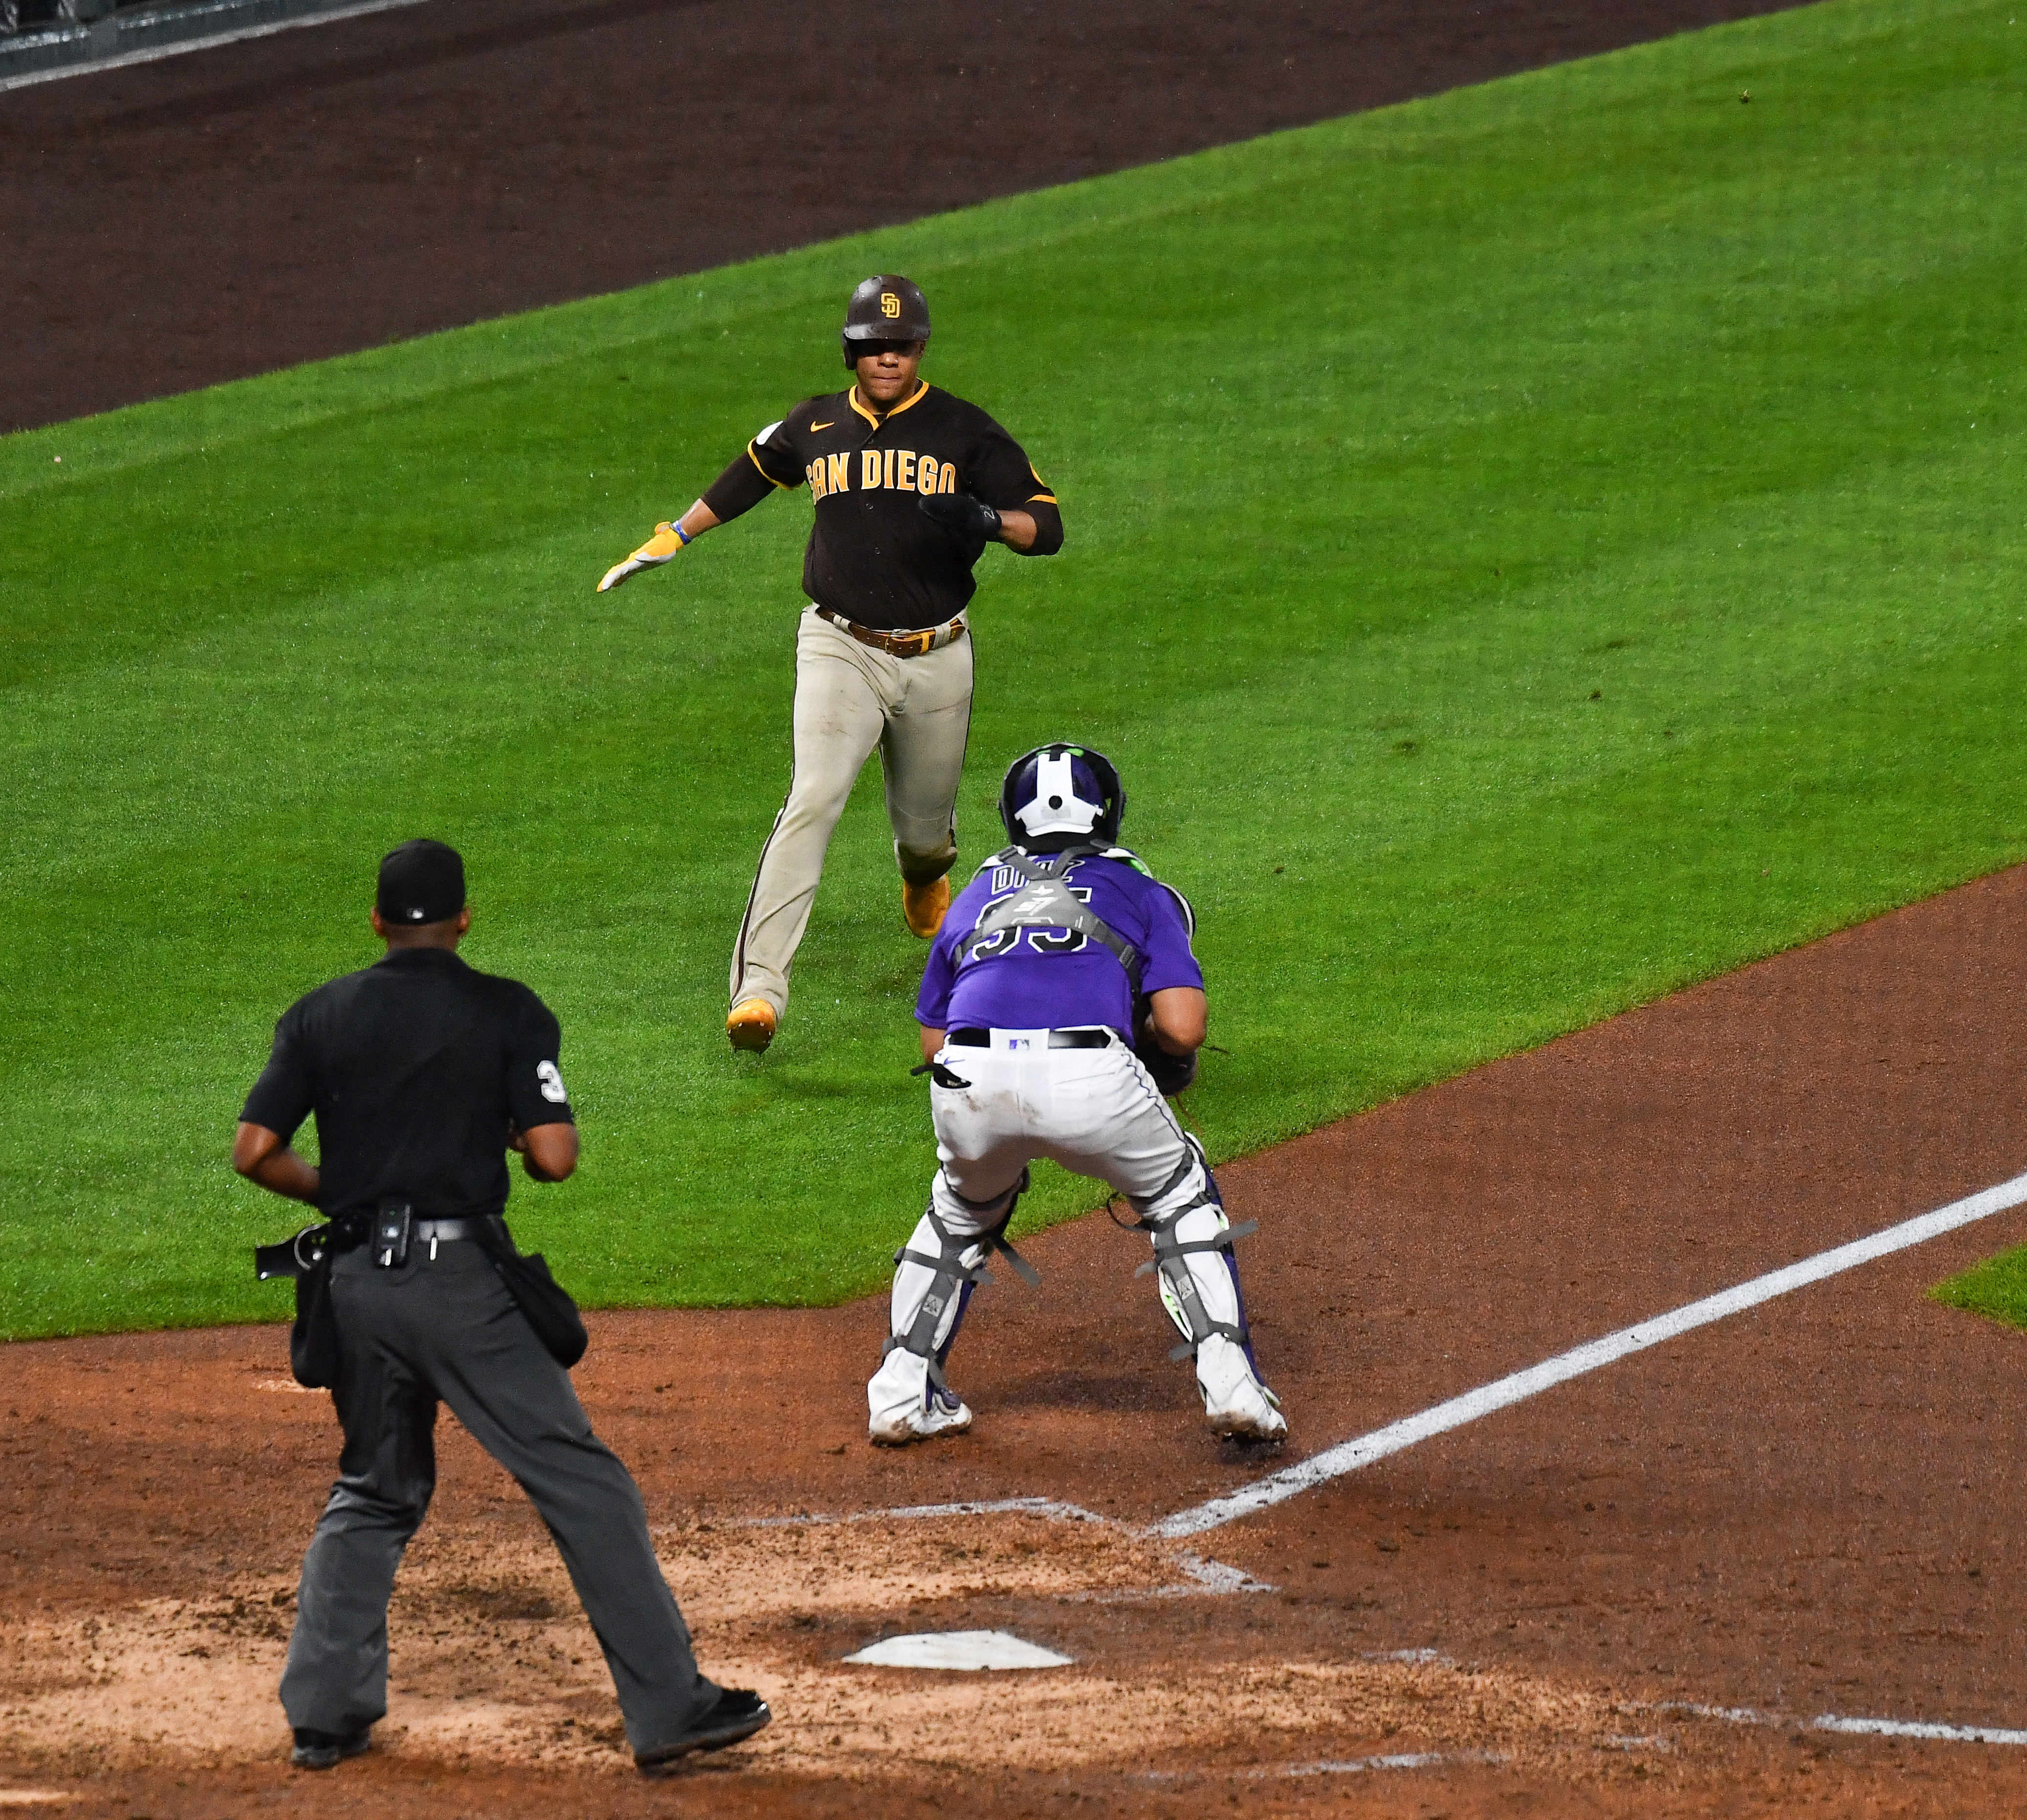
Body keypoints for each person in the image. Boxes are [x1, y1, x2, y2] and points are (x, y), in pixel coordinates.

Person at [231, 838, 770, 1773]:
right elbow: (555, 1156)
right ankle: (669, 1708)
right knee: (582, 1482)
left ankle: (323, 1714)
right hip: (459, 1289)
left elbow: (253, 1150)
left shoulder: (319, 1013)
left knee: (373, 1489)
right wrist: (513, 1138)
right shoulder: (506, 1011)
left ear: (375, 921)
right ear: (463, 920)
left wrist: (347, 1195)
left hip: (355, 1287)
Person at [597, 275, 1065, 1054]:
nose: (887, 358)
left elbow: (1046, 527)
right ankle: (759, 992)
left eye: (901, 345)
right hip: (838, 645)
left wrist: (990, 519)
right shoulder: (816, 422)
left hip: (937, 655)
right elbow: (755, 470)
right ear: (851, 351)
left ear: (920, 350)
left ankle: (922, 876)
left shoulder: (965, 433)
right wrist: (678, 532)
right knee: (811, 799)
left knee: (927, 836)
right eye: (871, 347)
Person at [866, 744, 1291, 1447]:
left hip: (967, 1076)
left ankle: (901, 1396)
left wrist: (1006, 1130)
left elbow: (935, 1047)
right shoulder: (1143, 892)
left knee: (961, 1211)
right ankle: (1233, 1386)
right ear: (1110, 814)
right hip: (1089, 1075)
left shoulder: (975, 893)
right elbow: (1184, 1030)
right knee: (1179, 1194)